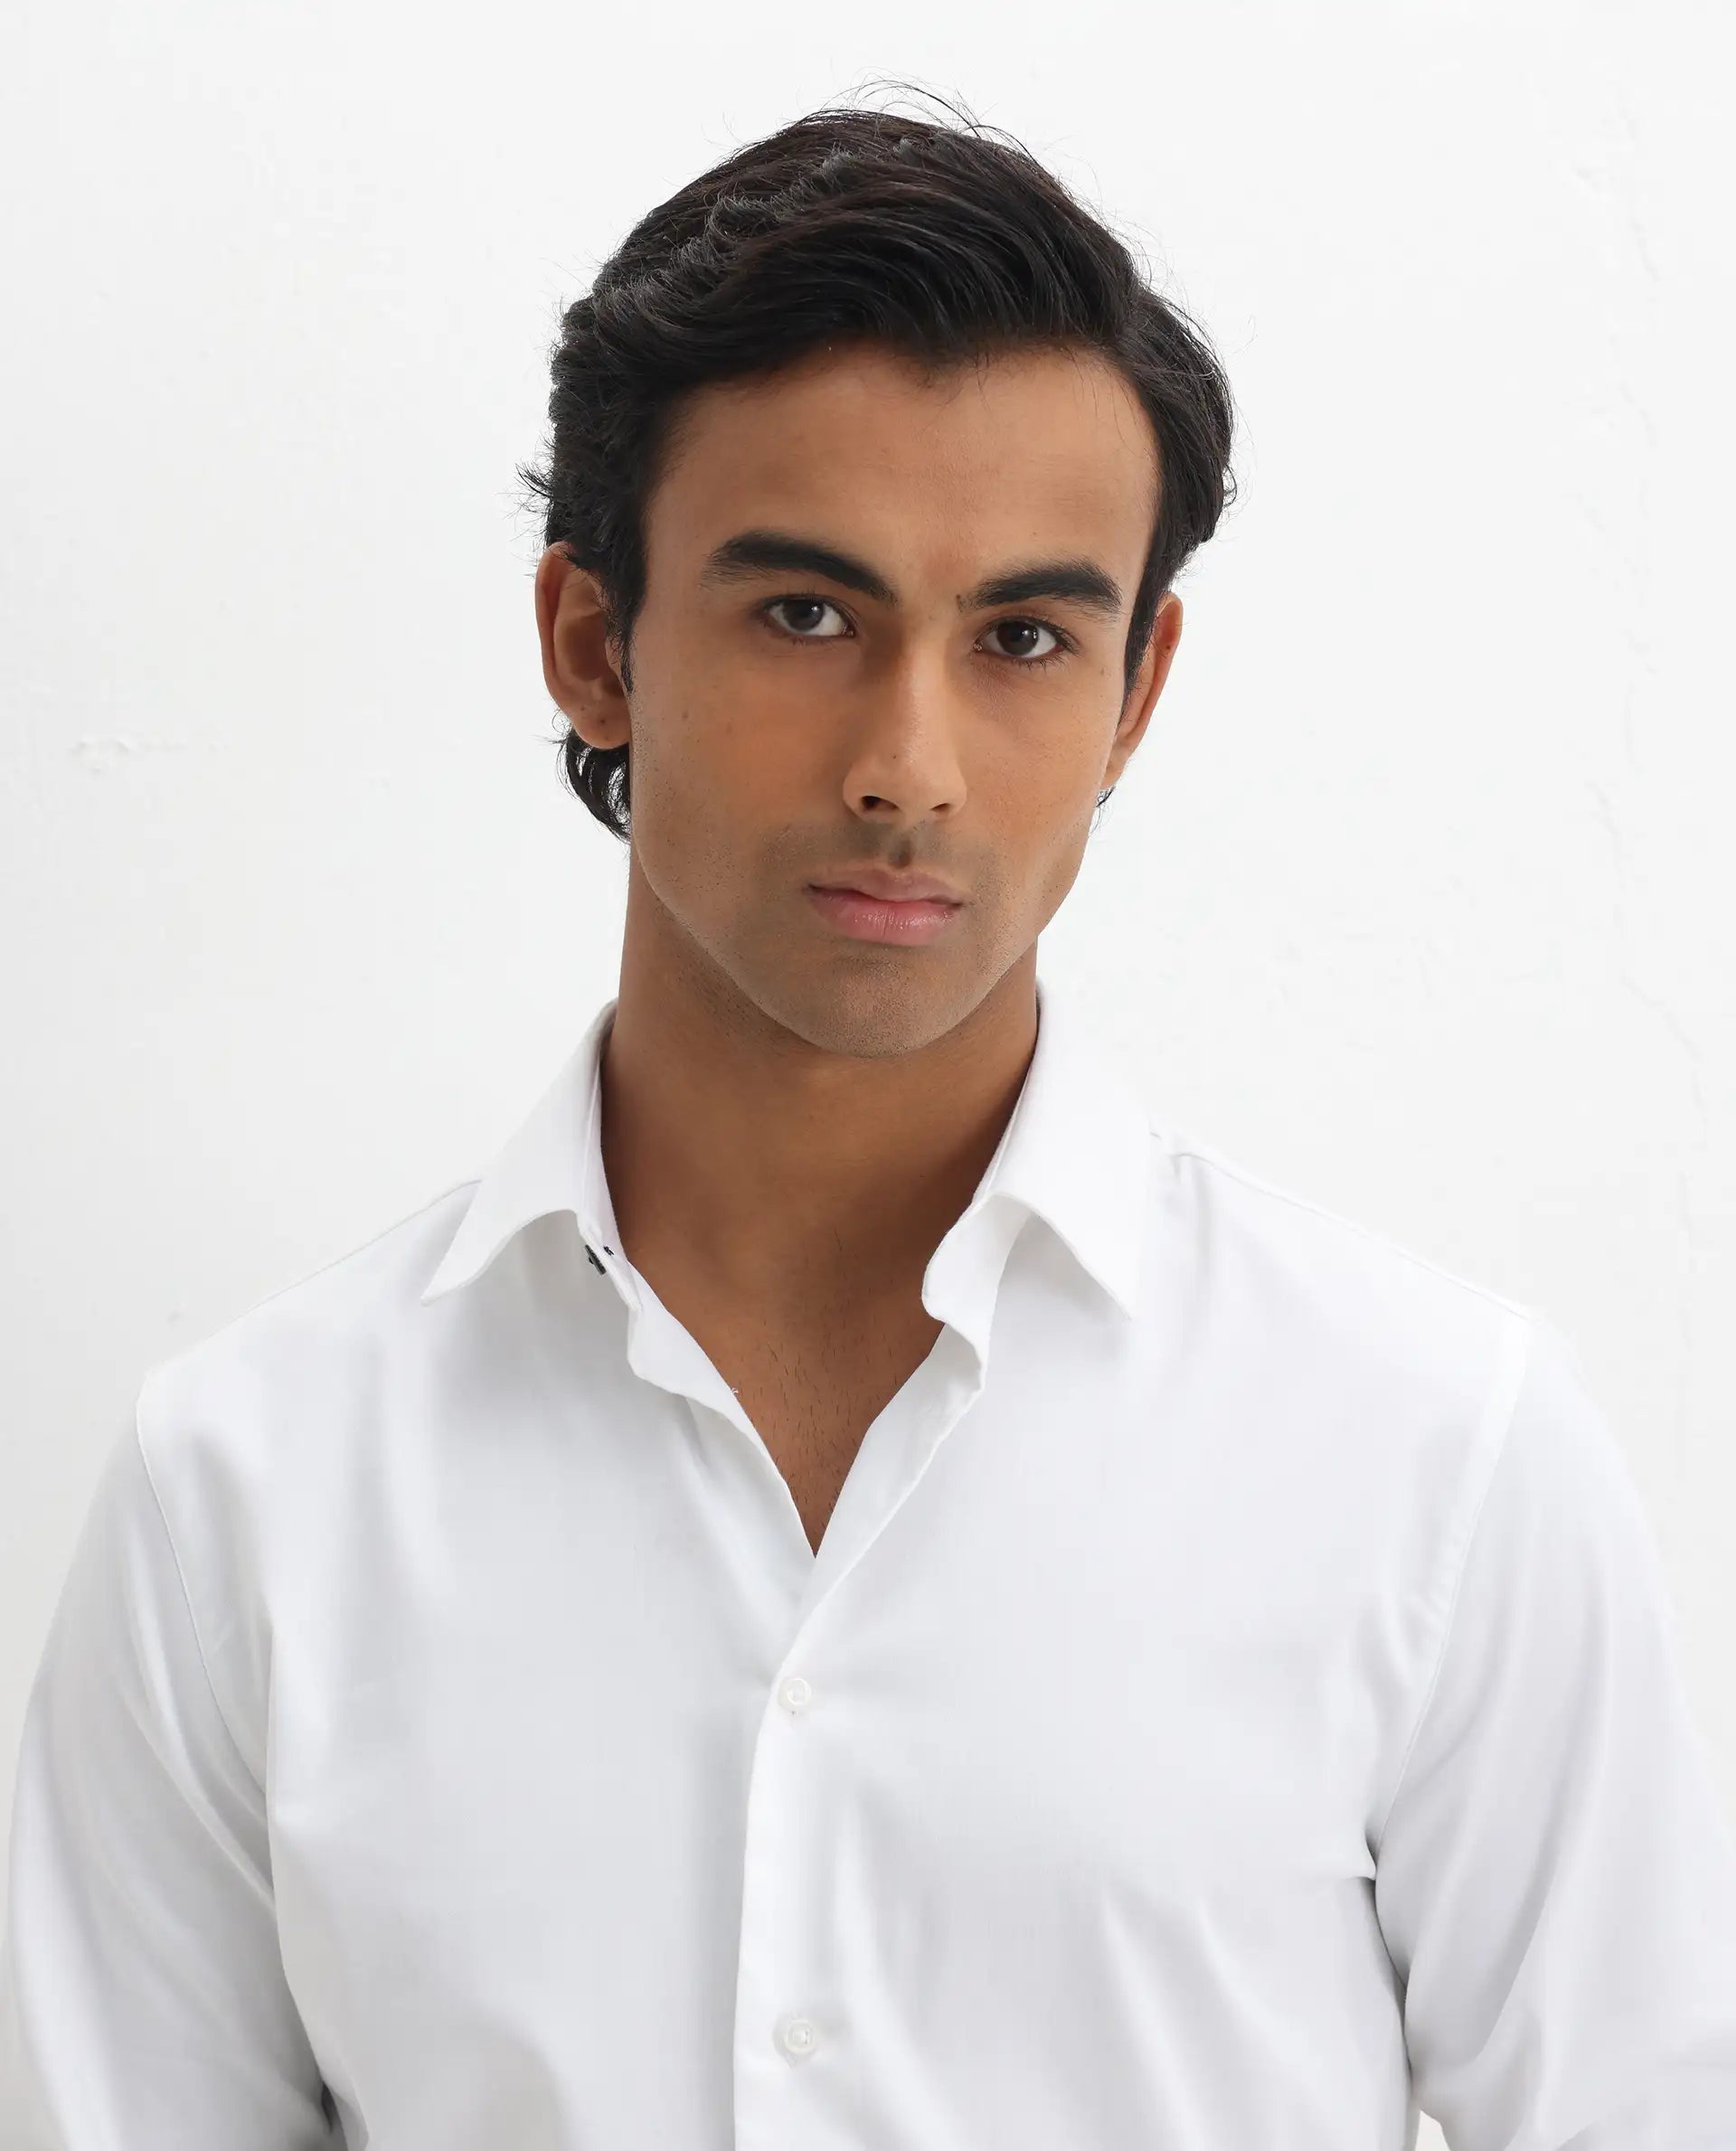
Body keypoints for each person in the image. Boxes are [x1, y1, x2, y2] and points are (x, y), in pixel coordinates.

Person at [4, 92, 1733, 2151]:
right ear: (594, 645)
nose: (912, 763)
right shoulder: (244, 1495)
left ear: (1136, 690)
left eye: (1023, 639)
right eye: (807, 615)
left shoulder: (1436, 1459)